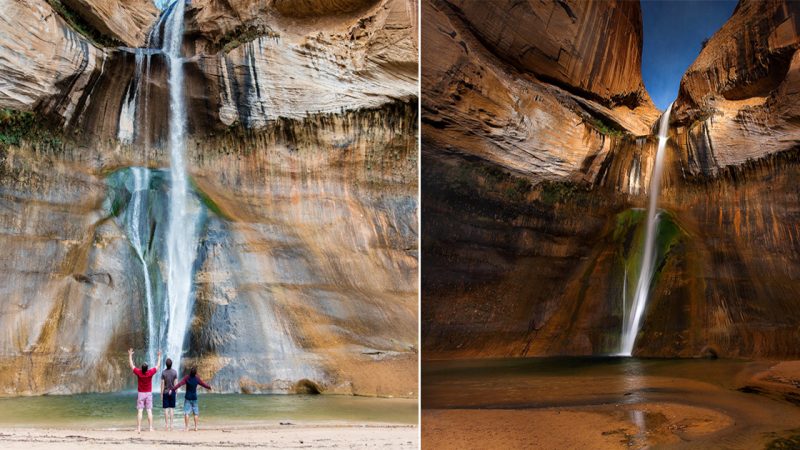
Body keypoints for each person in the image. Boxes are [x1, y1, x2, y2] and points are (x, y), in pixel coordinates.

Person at [128, 348, 162, 433]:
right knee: (149, 410)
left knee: (140, 411)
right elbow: (157, 366)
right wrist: (159, 356)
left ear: (142, 368)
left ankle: (139, 428)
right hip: (148, 394)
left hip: (141, 394)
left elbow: (132, 366)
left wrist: (130, 355)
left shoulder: (139, 372)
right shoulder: (150, 373)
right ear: (147, 368)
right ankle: (150, 428)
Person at [170, 366, 212, 431]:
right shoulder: (197, 378)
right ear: (195, 373)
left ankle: (187, 427)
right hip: (194, 398)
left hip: (187, 398)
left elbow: (180, 384)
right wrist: (209, 387)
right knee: (196, 413)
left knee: (186, 413)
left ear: (190, 372)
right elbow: (203, 384)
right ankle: (196, 427)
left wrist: (173, 389)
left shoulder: (187, 378)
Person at [161, 358, 178, 431]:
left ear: (166, 365)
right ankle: (171, 424)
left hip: (165, 392)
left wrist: (161, 393)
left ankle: (166, 424)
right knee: (171, 408)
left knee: (165, 409)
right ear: (171, 364)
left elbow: (162, 384)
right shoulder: (174, 372)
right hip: (172, 392)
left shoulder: (163, 372)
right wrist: (176, 392)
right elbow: (176, 383)